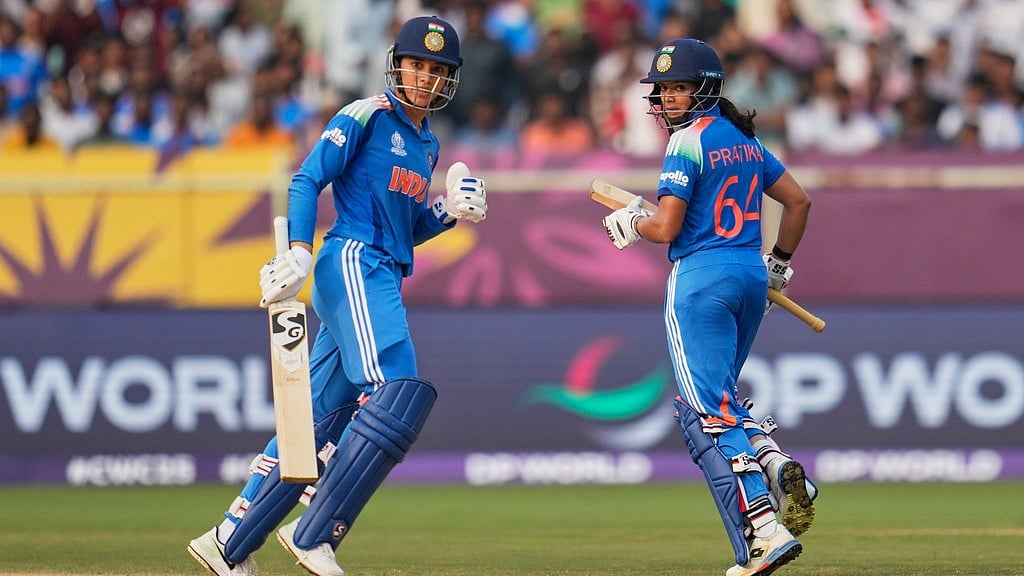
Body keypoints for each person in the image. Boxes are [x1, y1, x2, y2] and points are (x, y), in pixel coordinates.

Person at [187, 15, 487, 576]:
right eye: (416, 64)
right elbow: (306, 178)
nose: (423, 77)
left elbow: (407, 226)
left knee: (318, 416)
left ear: (449, 80)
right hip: (352, 259)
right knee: (397, 390)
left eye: (436, 70)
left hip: (381, 267)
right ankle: (315, 531)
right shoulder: (367, 115)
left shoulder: (427, 144)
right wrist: (299, 253)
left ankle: (228, 541)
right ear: (398, 64)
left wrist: (449, 212)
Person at [601, 38, 815, 576]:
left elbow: (666, 226)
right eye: (665, 89)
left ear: (707, 88)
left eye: (679, 88)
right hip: (748, 273)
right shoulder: (745, 140)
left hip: (699, 279)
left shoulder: (685, 144)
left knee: (709, 411)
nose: (669, 99)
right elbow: (798, 201)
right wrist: (779, 265)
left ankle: (764, 530)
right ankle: (780, 464)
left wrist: (632, 225)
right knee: (722, 396)